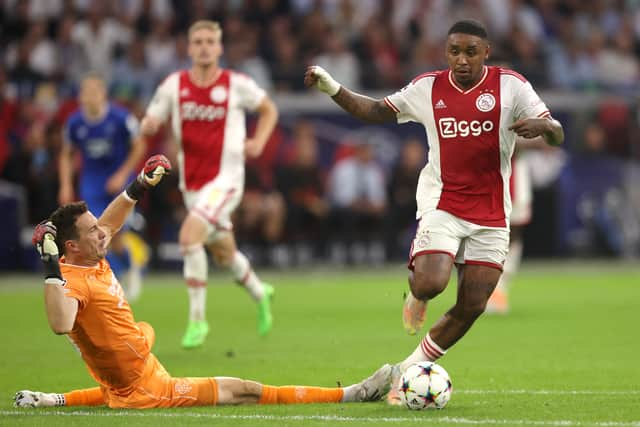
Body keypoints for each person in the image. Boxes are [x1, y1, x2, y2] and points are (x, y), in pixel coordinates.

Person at [305, 19, 564, 404]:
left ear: (486, 53)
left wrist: (545, 127)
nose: (461, 60)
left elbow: (556, 132)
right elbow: (375, 110)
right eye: (454, 51)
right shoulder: (428, 87)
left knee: (473, 305)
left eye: (470, 52)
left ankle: (404, 374)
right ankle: (416, 295)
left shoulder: (511, 85)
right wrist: (331, 88)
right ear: (446, 53)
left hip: (491, 213)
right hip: (443, 202)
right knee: (430, 283)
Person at [15, 155, 392, 409]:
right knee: (242, 389)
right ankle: (350, 394)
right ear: (70, 247)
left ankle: (55, 399)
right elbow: (60, 324)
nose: (104, 233)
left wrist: (140, 185)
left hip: (138, 367)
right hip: (147, 389)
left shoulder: (89, 252)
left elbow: (113, 219)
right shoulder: (70, 280)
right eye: (93, 231)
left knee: (136, 346)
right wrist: (49, 264)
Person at [139, 20, 279, 348]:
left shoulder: (236, 84)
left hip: (226, 180)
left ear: (219, 48)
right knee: (223, 253)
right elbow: (153, 117)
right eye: (197, 41)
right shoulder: (174, 85)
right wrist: (149, 124)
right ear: (189, 48)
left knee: (189, 237)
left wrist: (258, 141)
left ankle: (197, 321)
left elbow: (268, 108)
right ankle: (261, 293)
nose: (204, 47)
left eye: (209, 41)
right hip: (193, 185)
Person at [59, 72, 148, 301]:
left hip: (117, 184)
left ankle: (129, 267)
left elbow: (139, 146)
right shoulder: (75, 123)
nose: (89, 97)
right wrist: (66, 185)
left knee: (115, 238)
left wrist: (122, 174)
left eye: (93, 92)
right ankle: (109, 283)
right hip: (92, 184)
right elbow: (66, 155)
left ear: (103, 94)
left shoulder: (121, 118)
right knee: (95, 235)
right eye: (85, 92)